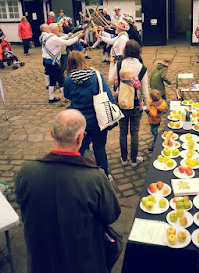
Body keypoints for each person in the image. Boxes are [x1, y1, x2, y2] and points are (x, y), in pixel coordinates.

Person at [15, 109, 121, 273]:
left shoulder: (25, 172)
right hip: (83, 263)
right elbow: (111, 214)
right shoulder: (94, 177)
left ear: (52, 133)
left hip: (41, 262)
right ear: (80, 138)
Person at [64, 51, 114, 179]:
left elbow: (67, 96)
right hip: (98, 120)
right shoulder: (97, 76)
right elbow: (108, 96)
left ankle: (84, 176)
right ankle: (104, 175)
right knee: (99, 149)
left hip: (79, 122)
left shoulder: (68, 80)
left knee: (81, 149)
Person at [110, 40, 148, 167]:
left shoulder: (120, 64)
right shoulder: (142, 68)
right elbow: (145, 90)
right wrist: (146, 106)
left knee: (123, 131)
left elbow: (111, 81)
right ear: (138, 51)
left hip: (121, 102)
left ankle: (124, 158)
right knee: (135, 132)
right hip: (137, 104)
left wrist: (112, 66)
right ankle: (133, 160)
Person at [42, 23, 83, 103]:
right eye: (57, 28)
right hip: (52, 63)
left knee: (52, 80)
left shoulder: (46, 36)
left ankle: (51, 98)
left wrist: (67, 36)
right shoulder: (54, 39)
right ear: (53, 30)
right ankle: (66, 97)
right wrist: (77, 37)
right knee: (61, 80)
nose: (59, 30)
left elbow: (59, 39)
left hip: (47, 61)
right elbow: (67, 43)